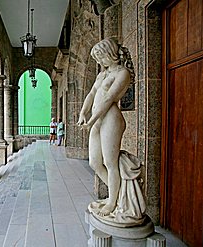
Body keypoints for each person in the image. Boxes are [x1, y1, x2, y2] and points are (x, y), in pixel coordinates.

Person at [77, 38, 134, 217]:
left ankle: (112, 201)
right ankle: (119, 194)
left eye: (101, 57)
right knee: (94, 162)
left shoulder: (122, 73)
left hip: (110, 119)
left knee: (110, 163)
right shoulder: (102, 75)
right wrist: (82, 113)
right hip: (97, 119)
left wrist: (92, 120)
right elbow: (92, 93)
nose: (100, 62)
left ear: (110, 53)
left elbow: (109, 98)